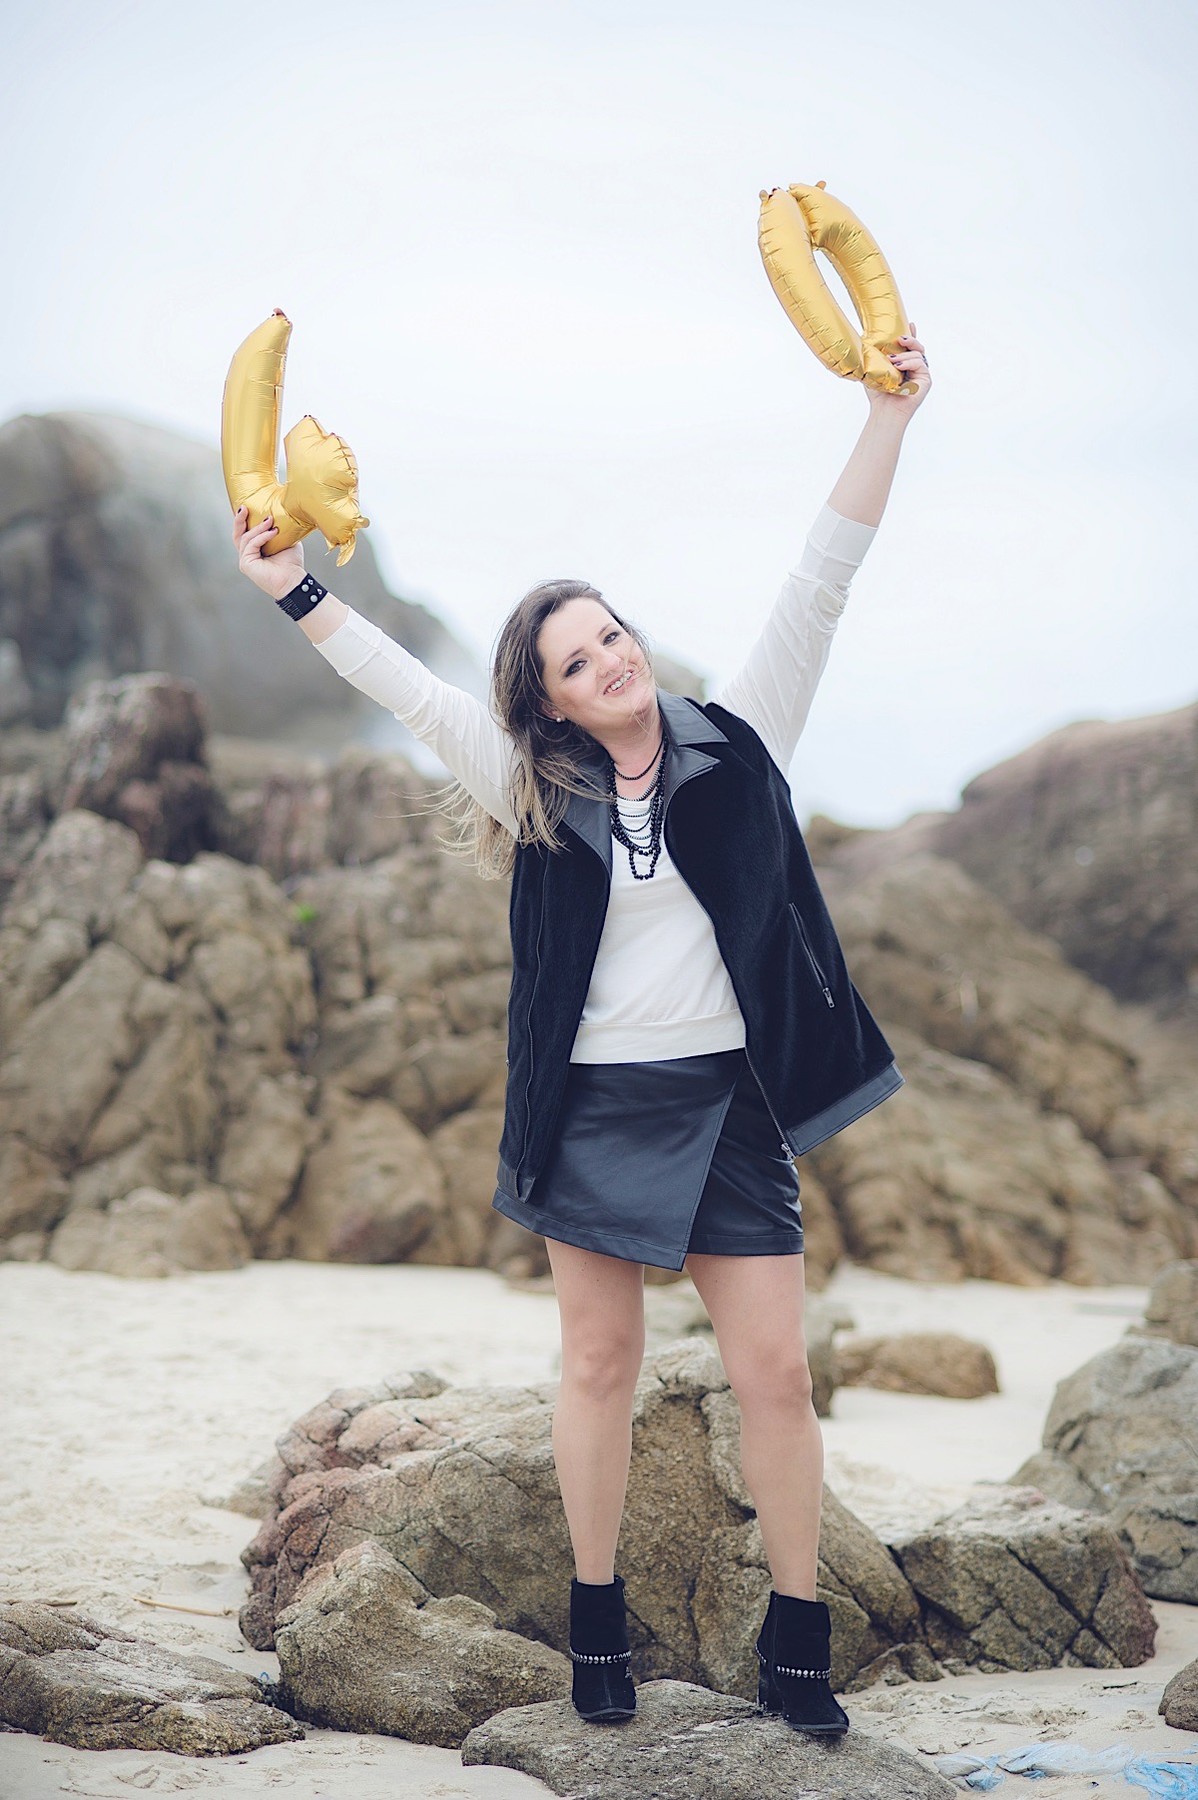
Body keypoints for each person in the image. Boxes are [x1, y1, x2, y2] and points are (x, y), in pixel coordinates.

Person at [231, 326, 932, 1736]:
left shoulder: (738, 738)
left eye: (611, 634)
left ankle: (798, 1640)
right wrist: (292, 585)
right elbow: (403, 687)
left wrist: (886, 415)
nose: (606, 660)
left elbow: (822, 575)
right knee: (597, 1366)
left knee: (776, 1373)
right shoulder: (529, 785)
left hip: (727, 1101)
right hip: (590, 1108)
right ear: (544, 698)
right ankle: (597, 1630)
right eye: (573, 657)